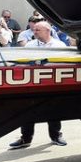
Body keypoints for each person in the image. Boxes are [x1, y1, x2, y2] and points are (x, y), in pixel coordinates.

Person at [9, 21, 67, 149]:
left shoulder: (59, 45)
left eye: (37, 30)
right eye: (34, 30)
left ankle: (56, 136)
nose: (34, 32)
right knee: (27, 111)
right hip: (32, 85)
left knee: (53, 111)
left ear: (48, 30)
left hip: (52, 84)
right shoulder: (30, 45)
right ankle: (25, 138)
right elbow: (23, 63)